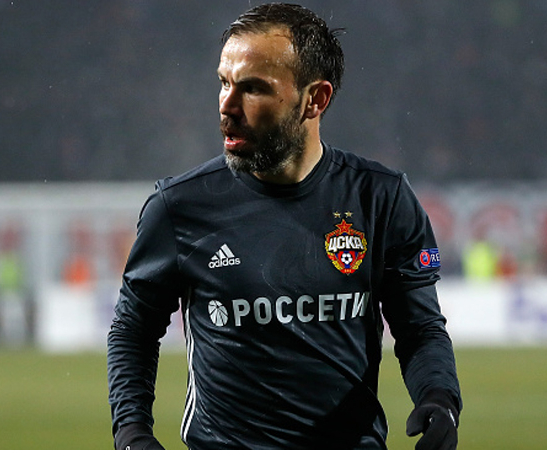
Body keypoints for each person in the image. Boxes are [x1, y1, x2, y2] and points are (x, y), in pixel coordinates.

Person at [107, 3, 462, 450]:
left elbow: (419, 327)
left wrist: (439, 397)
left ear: (316, 99)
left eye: (253, 88)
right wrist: (132, 431)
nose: (227, 105)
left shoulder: (381, 199)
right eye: (224, 82)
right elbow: (134, 328)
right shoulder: (179, 207)